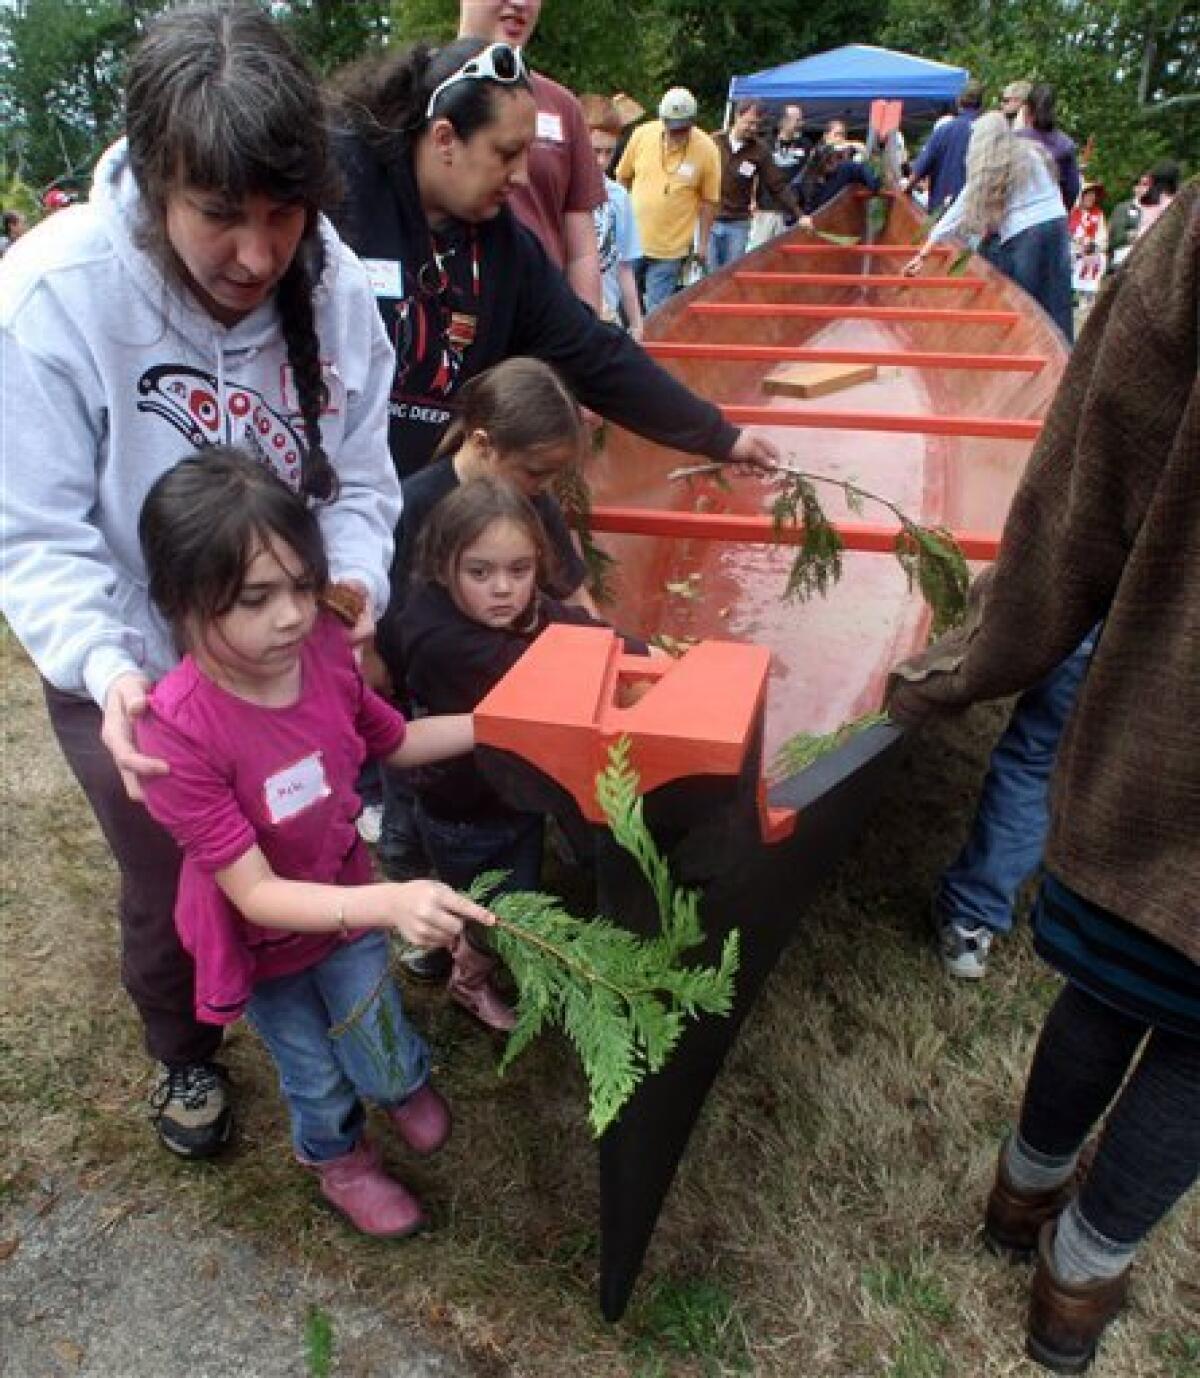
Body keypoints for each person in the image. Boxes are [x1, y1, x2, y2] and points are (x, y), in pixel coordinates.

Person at [0, 5, 402, 1160]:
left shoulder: (327, 284)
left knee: (312, 839)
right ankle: (184, 1049)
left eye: (284, 215)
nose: (258, 255)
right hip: (136, 668)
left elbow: (364, 476)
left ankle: (333, 1013)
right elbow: (35, 532)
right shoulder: (52, 296)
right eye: (222, 216)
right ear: (158, 177)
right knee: (179, 877)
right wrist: (110, 670)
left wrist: (353, 588)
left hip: (291, 642)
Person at [888, 184, 1198, 1375]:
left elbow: (1093, 465)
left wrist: (977, 659)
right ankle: (1079, 1277)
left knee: (1124, 966)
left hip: (1177, 693)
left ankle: (1023, 1199)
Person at [134, 447, 492, 1236]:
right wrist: (392, 899)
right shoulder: (174, 737)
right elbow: (256, 891)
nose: (292, 615)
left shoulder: (324, 650)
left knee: (377, 1022)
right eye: (255, 598)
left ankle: (402, 1084)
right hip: (266, 945)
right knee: (316, 1077)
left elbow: (391, 741)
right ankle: (338, 1159)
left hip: (348, 892)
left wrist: (498, 727)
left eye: (302, 584)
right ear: (182, 601)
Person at [331, 44, 773, 479]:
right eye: (506, 154)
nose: (521, 176)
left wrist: (721, 437)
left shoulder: (506, 250)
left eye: (528, 154)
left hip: (427, 506)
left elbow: (596, 356)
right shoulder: (336, 194)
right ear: (445, 138)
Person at [399, 476, 650, 1029]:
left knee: (516, 882)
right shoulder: (444, 639)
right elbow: (542, 664)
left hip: (512, 796)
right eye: (480, 572)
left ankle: (449, 948)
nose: (503, 590)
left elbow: (575, 628)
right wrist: (608, 656)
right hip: (465, 811)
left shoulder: (520, 611)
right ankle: (468, 981)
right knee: (496, 906)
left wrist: (642, 652)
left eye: (519, 570)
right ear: (445, 568)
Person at [457, 0, 604, 310]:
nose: (521, 3)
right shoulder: (414, 93)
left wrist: (584, 332)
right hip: (441, 325)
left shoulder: (561, 106)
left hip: (536, 328)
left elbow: (582, 250)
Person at [903, 112, 1074, 343]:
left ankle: (1022, 347)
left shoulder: (993, 164)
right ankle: (1066, 355)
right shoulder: (1034, 153)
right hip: (1057, 223)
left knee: (1025, 302)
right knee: (1058, 300)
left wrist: (924, 251)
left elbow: (958, 211)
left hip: (1025, 233)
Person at [615, 86, 721, 312]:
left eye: (682, 129)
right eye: (672, 128)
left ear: (692, 123)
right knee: (622, 301)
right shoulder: (642, 134)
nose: (676, 134)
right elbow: (622, 178)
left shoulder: (707, 149)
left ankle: (650, 345)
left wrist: (701, 245)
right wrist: (619, 223)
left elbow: (710, 201)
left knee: (657, 308)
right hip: (633, 239)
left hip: (671, 249)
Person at [708, 100, 801, 271]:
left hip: (738, 222)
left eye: (757, 125)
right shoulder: (712, 142)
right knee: (707, 276)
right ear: (737, 116)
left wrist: (799, 214)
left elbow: (777, 185)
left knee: (731, 275)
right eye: (749, 123)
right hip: (709, 221)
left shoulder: (760, 150)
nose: (752, 128)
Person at [580, 94, 644, 336]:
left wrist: (636, 323)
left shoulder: (618, 196)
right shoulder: (557, 191)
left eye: (609, 152)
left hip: (607, 316)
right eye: (595, 151)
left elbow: (624, 265)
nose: (602, 161)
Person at [903, 79, 985, 214]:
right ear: (981, 103)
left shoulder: (944, 130)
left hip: (943, 210)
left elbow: (919, 170)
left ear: (958, 101)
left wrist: (906, 189)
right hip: (975, 212)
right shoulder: (989, 131)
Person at [748, 102, 811, 249]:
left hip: (792, 211)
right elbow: (753, 173)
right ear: (783, 121)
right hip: (766, 208)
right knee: (759, 250)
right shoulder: (765, 144)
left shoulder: (806, 145)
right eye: (797, 120)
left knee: (784, 254)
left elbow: (810, 175)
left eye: (801, 120)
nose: (800, 124)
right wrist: (751, 200)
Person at [1016, 83, 1081, 211]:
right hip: (1054, 213)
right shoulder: (1066, 145)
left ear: (1028, 109)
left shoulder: (1015, 141)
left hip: (1023, 215)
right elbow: (1073, 189)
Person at [1068, 181, 1107, 294]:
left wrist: (1092, 246)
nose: (1091, 198)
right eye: (1088, 194)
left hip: (1090, 253)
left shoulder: (1098, 214)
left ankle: (1087, 296)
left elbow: (1102, 237)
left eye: (1093, 195)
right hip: (1072, 252)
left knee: (1098, 259)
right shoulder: (1070, 212)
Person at [1106, 171, 1150, 269]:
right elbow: (1115, 239)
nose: (1146, 188)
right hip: (1124, 258)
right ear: (1135, 188)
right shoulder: (1122, 208)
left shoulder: (1156, 210)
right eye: (1143, 184)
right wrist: (1135, 235)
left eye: (1148, 185)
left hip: (1147, 258)